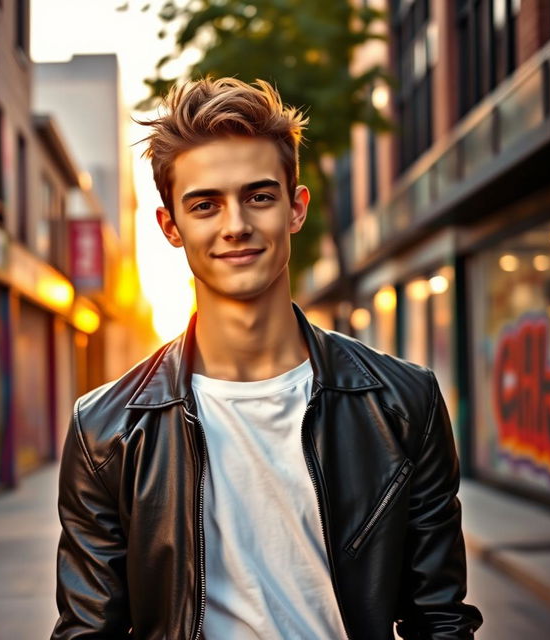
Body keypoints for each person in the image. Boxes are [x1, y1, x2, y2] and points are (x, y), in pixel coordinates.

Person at [51, 77, 482, 640]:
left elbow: (441, 618)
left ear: (296, 209)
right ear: (170, 227)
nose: (236, 226)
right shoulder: (105, 431)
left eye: (259, 196)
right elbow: (89, 630)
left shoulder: (404, 403)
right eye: (204, 204)